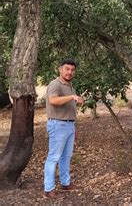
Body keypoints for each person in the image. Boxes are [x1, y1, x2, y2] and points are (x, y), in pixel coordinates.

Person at [43, 59, 83, 198]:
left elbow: (68, 103)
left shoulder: (70, 86)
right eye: (67, 69)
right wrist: (72, 97)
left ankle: (65, 183)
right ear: (60, 69)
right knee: (54, 157)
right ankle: (49, 189)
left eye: (72, 70)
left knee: (66, 156)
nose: (69, 72)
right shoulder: (55, 84)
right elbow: (53, 100)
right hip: (58, 125)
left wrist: (78, 100)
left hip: (69, 125)